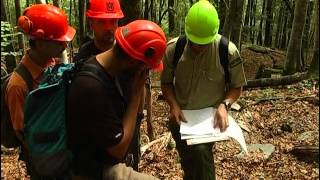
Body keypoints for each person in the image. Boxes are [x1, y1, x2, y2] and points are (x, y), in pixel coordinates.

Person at [67, 19, 166, 180]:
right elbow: (119, 149)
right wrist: (135, 95)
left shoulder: (107, 69)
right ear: (134, 62)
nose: (146, 73)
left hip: (103, 163)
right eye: (146, 68)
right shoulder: (92, 87)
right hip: (92, 171)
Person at [160, 1, 247, 180]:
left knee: (200, 155)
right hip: (180, 118)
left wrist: (225, 105)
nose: (198, 48)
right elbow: (166, 83)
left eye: (204, 44)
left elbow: (237, 87)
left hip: (210, 122)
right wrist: (173, 105)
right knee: (191, 163)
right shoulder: (173, 49)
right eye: (195, 42)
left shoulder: (227, 51)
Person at [5, 4, 75, 179]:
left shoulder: (51, 64)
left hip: (64, 151)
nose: (64, 46)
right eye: (59, 42)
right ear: (41, 42)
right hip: (43, 161)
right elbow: (23, 133)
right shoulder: (18, 85)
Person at [74, 0, 144, 171]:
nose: (109, 27)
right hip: (99, 150)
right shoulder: (83, 58)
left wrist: (138, 120)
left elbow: (139, 88)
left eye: (113, 21)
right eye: (102, 22)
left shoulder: (128, 52)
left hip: (129, 128)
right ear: (91, 23)